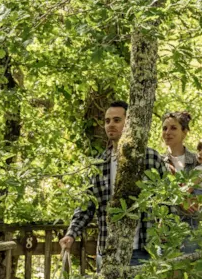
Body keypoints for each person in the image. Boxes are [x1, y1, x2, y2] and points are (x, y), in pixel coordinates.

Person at [59, 100, 166, 266]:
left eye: (117, 120)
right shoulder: (99, 164)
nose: (111, 125)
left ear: (129, 122)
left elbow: (166, 200)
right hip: (107, 251)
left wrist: (167, 235)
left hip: (143, 251)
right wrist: (71, 234)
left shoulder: (150, 158)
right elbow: (87, 204)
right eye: (107, 121)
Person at [161, 110, 202, 250]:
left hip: (193, 229)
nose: (167, 132)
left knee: (190, 268)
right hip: (165, 229)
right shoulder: (158, 161)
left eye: (173, 128)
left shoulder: (198, 161)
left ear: (185, 132)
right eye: (164, 128)